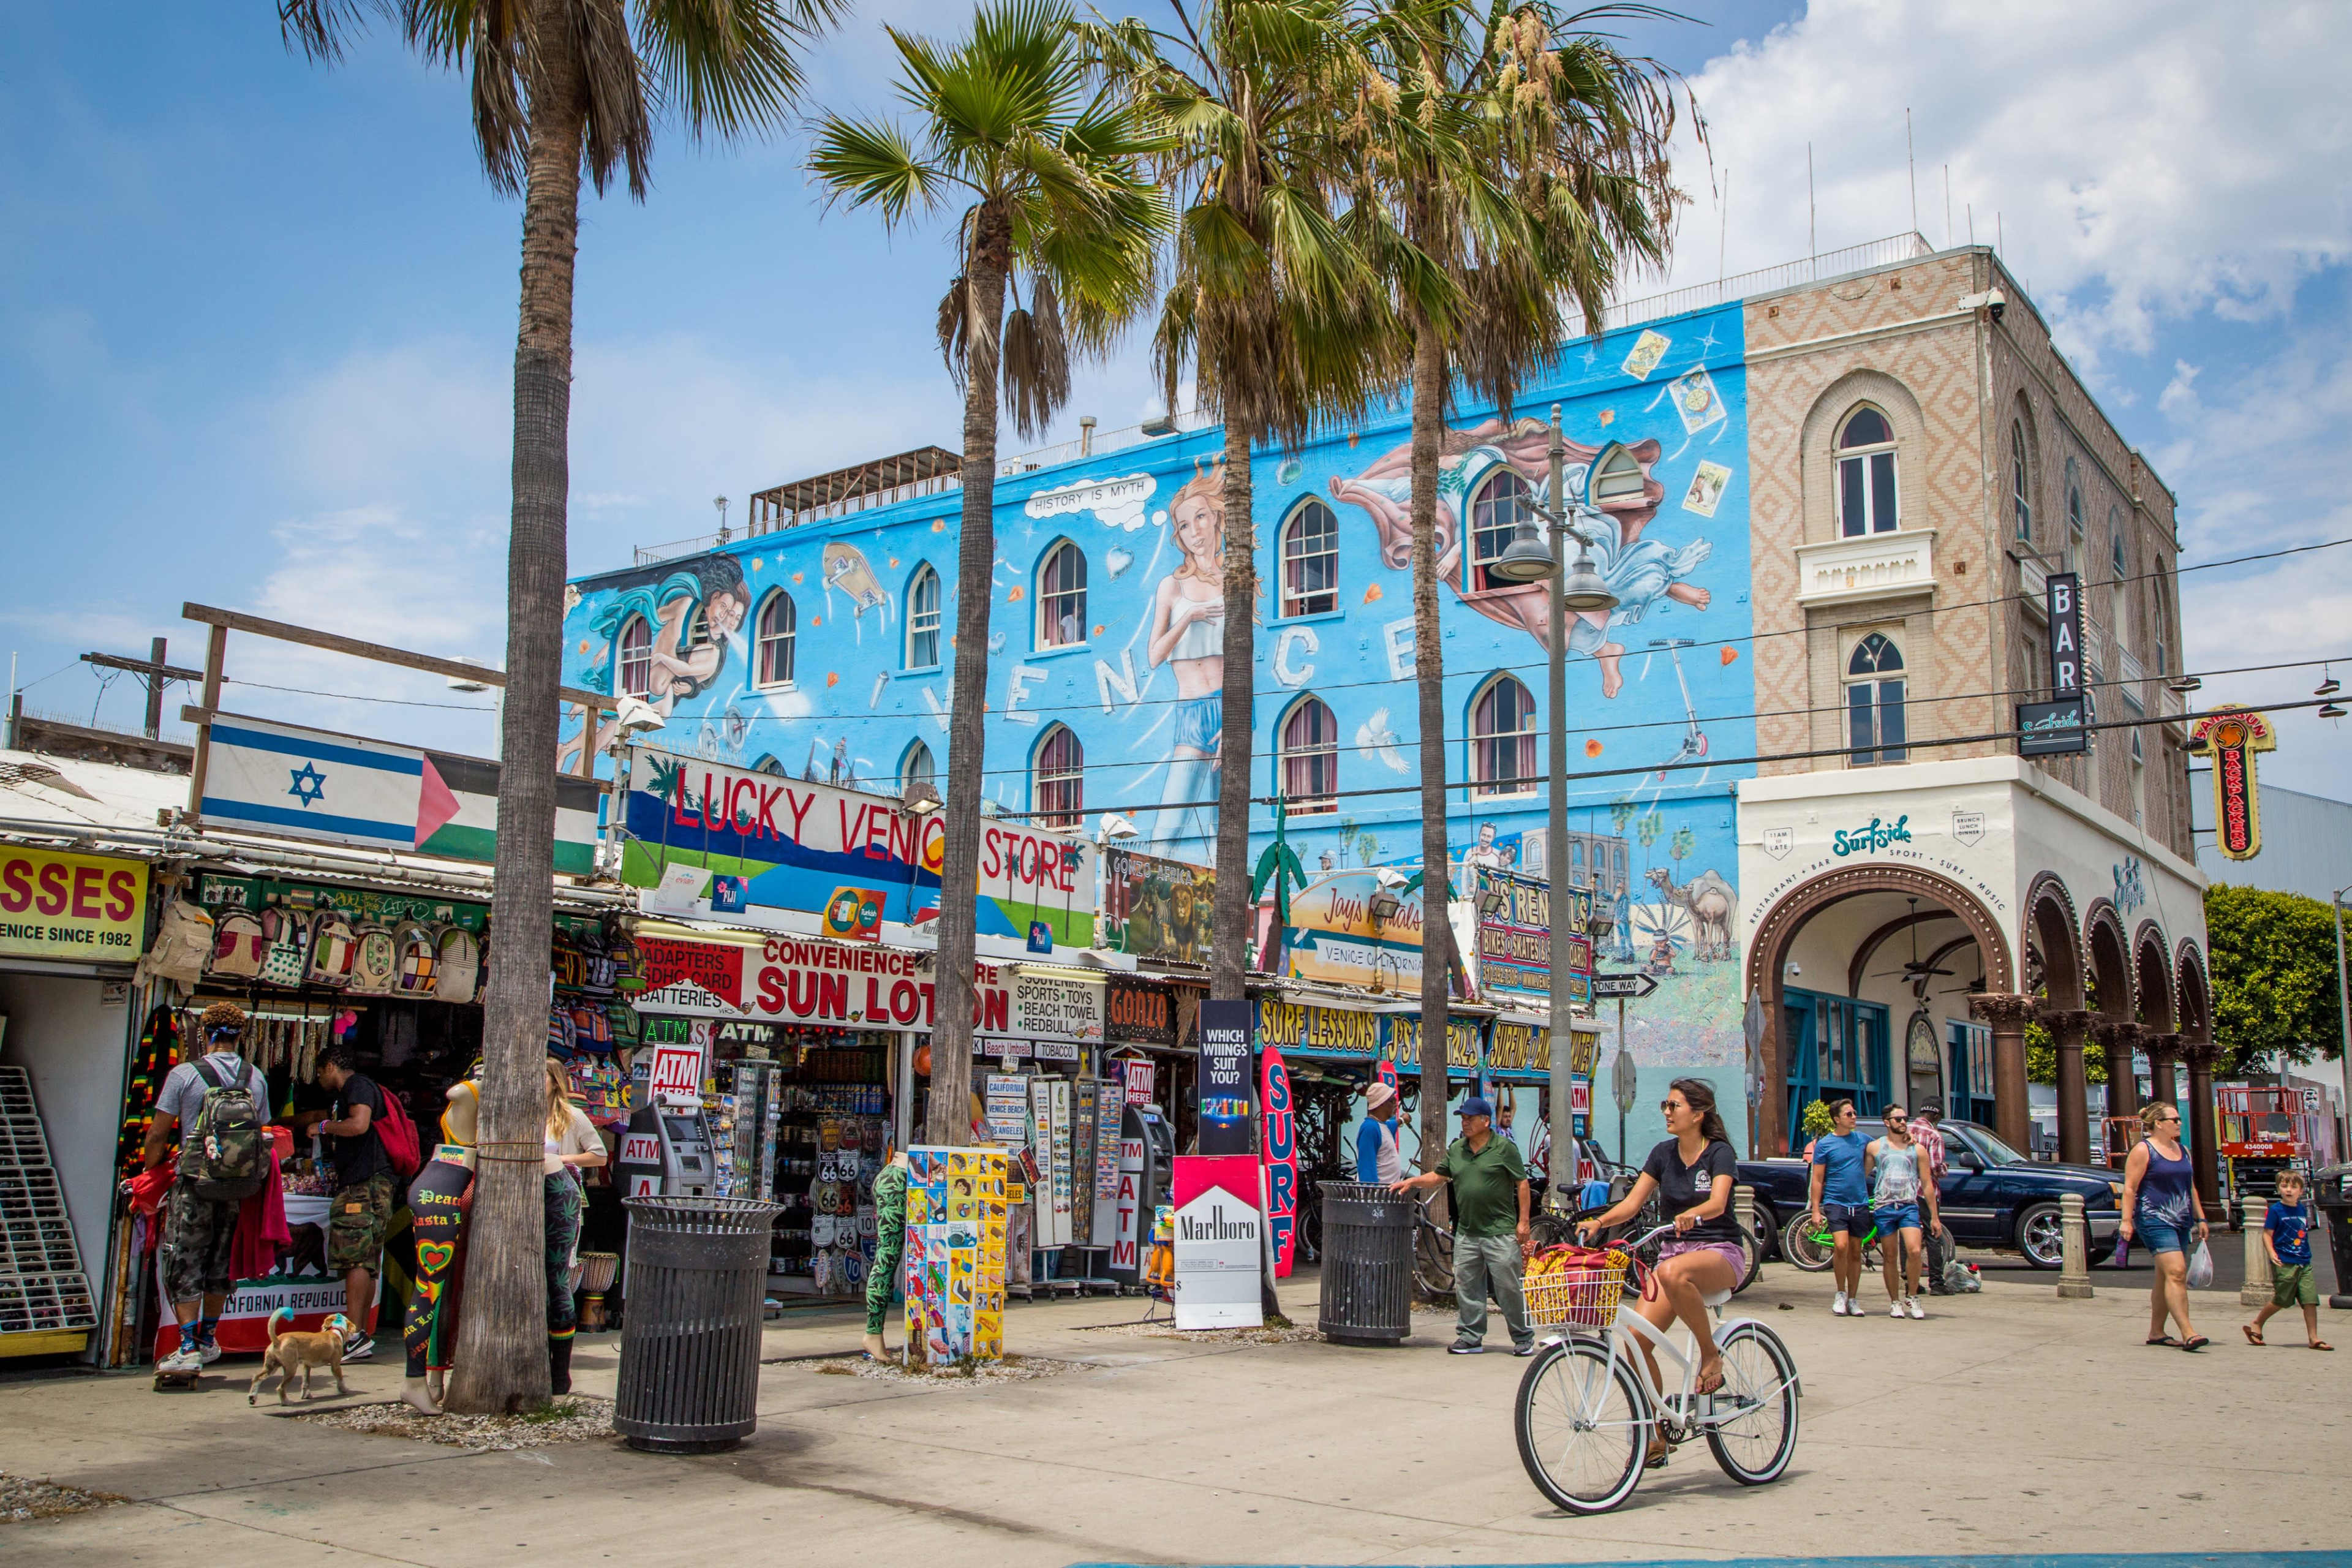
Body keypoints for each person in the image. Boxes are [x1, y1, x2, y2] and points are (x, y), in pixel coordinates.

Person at [1577, 1078, 1742, 1460]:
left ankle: (1710, 1354)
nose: (1667, 1112)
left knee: (1672, 1273)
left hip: (1720, 1250)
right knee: (1636, 1339)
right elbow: (1632, 1204)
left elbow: (1718, 1202)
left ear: (1698, 1115)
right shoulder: (1662, 1154)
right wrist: (1600, 1223)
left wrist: (1691, 1214)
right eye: (1665, 1106)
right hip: (1675, 1254)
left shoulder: (1719, 1153)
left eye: (1674, 1106)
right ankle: (1656, 1433)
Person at [142, 1002, 271, 1377]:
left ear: (203, 1034)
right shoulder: (255, 1077)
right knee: (219, 1263)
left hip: (194, 1184)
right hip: (237, 1187)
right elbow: (263, 1132)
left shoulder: (184, 1074)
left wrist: (151, 1174)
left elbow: (157, 1133)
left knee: (184, 1261)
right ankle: (208, 1340)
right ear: (239, 1036)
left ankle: (186, 1346)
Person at [1391, 1095, 1534, 1355]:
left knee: (1508, 1287)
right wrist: (1411, 1182)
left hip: (1499, 1232)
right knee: (1468, 1288)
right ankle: (1470, 1337)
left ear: (1486, 1121)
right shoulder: (1457, 1149)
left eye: (1470, 1118)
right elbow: (1439, 1175)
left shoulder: (1504, 1149)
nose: (1465, 1123)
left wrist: (1524, 1222)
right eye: (1463, 1119)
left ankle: (1523, 1336)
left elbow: (1522, 1184)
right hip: (1467, 1233)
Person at [311, 1044, 390, 1362]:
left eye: (319, 1072)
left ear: (331, 1066)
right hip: (374, 1187)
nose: (319, 1079)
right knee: (368, 1261)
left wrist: (322, 1128)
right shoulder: (363, 1088)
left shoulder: (357, 1086)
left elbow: (359, 1125)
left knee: (357, 1259)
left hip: (363, 1187)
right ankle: (360, 1335)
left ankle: (354, 1334)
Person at [2117, 1101, 2209, 1351]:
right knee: (2177, 1272)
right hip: (2154, 1219)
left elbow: (2190, 1187)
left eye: (2179, 1120)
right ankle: (2189, 1332)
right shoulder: (2143, 1150)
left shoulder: (2183, 1151)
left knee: (2165, 1277)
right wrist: (2127, 1221)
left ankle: (2156, 1332)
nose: (2179, 1124)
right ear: (2158, 1123)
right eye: (2174, 1120)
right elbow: (2130, 1187)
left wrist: (2200, 1218)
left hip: (2180, 1220)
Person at [543, 1058, 607, 1395]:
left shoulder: (571, 1116)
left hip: (559, 1198)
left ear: (555, 1081)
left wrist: (561, 1160)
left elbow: (599, 1155)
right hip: (526, 1202)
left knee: (557, 1280)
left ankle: (559, 1371)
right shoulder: (519, 1110)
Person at [2244, 1169, 2331, 1351]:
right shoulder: (2276, 1211)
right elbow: (2267, 1235)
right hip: (2285, 1262)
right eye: (2284, 1186)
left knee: (2310, 1300)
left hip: (2304, 1261)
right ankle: (2257, 1322)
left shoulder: (2301, 1209)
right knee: (2283, 1300)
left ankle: (2313, 1338)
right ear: (2279, 1189)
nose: (2289, 1190)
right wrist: (2272, 1253)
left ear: (2301, 1191)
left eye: (2293, 1187)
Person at [1867, 1104, 1937, 1318]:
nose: (1903, 1123)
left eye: (1905, 1118)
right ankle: (1894, 1301)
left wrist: (1934, 1216)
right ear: (1887, 1122)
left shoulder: (1917, 1149)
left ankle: (1913, 1295)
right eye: (1898, 1119)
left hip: (1908, 1205)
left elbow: (1927, 1184)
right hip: (1884, 1205)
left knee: (1915, 1250)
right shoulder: (1875, 1147)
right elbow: (1862, 1174)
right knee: (1890, 1256)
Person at [1804, 1099, 1873, 1317]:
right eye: (1848, 1114)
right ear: (1837, 1119)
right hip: (1836, 1202)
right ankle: (1840, 1293)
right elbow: (1817, 1179)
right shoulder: (1825, 1144)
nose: (1854, 1117)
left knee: (1856, 1250)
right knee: (1841, 1246)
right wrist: (1816, 1210)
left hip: (1860, 1203)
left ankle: (1853, 1298)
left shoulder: (1862, 1140)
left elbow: (1882, 1148)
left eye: (1854, 1113)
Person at [864, 1149, 910, 1361]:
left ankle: (874, 1334)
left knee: (888, 1256)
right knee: (887, 1257)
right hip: (900, 1178)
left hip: (902, 1174)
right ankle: (872, 1333)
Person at [1908, 1101, 1955, 1293]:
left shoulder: (1906, 1129)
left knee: (1908, 1234)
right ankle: (1936, 1282)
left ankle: (1910, 1282)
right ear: (1936, 1116)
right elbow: (1936, 1168)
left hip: (1906, 1191)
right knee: (1933, 1234)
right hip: (1926, 1193)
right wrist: (1945, 1169)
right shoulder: (1934, 1135)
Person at [1356, 1082, 1408, 1185]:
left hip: (1387, 1196)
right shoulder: (1370, 1128)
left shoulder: (1383, 1126)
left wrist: (1402, 1120)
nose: (1396, 1104)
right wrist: (1372, 1195)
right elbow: (1367, 1167)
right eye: (1392, 1101)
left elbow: (1392, 1125)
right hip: (1376, 1197)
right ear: (1382, 1103)